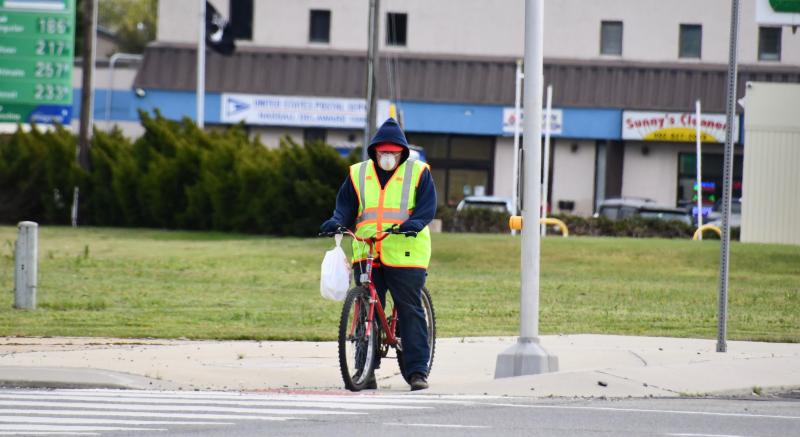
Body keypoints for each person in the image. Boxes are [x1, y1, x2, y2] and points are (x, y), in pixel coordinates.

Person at [321, 118, 436, 391]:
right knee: (364, 309)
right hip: (366, 247)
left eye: (393, 153)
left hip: (406, 250)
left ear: (402, 153)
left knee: (409, 309)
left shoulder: (419, 172)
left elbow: (427, 207)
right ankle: (365, 369)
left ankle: (417, 371)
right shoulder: (358, 173)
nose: (387, 157)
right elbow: (345, 207)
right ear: (374, 152)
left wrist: (415, 224)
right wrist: (336, 221)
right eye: (382, 152)